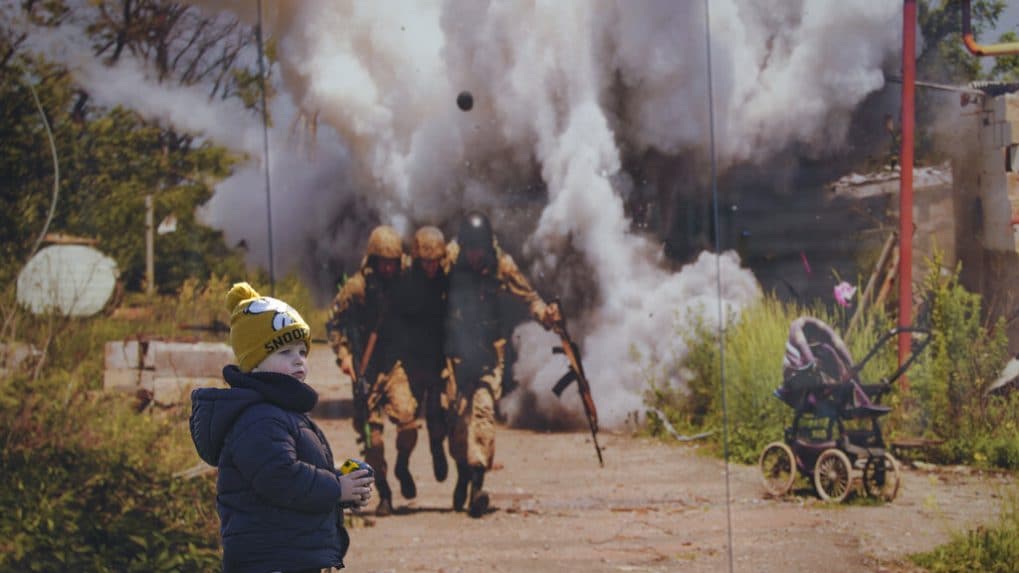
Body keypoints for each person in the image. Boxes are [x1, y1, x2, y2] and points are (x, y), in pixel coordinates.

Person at [189, 282, 374, 573]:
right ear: (254, 363)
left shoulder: (282, 412)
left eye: (302, 351)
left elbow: (297, 481)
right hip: (270, 560)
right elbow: (280, 477)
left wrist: (344, 486)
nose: (298, 360)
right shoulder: (258, 418)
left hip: (290, 555)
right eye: (285, 352)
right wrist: (336, 488)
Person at [444, 211, 560, 517]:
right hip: (456, 353)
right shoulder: (449, 260)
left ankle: (477, 486)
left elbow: (529, 297)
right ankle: (463, 472)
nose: (475, 256)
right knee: (457, 422)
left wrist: (545, 315)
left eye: (479, 249)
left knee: (483, 413)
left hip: (487, 351)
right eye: (471, 249)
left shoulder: (501, 265)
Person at [326, 225, 418, 516]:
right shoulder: (356, 288)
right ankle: (385, 492)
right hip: (366, 369)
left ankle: (403, 465)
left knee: (408, 421)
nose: (388, 268)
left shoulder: (406, 280)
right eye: (383, 262)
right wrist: (344, 356)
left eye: (393, 262)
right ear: (374, 260)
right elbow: (334, 323)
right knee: (373, 441)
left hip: (393, 365)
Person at [393, 226, 452, 483]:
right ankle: (402, 463)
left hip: (437, 358)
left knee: (438, 414)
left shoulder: (446, 278)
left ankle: (437, 451)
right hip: (411, 361)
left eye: (435, 261)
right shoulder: (404, 281)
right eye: (426, 262)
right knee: (408, 418)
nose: (431, 266)